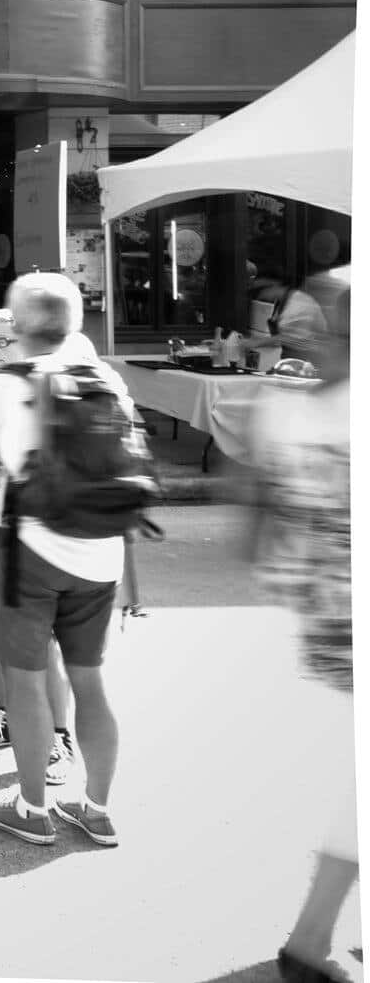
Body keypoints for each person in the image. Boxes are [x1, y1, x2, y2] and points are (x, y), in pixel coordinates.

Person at [0, 271, 132, 848]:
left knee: (26, 683)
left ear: (18, 326)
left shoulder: (1, 388)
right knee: (90, 681)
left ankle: (32, 808)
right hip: (99, 554)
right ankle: (96, 808)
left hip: (28, 552)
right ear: (74, 323)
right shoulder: (107, 380)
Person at [246, 268, 354, 983]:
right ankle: (310, 942)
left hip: (328, 614)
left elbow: (257, 526)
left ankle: (316, 939)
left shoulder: (281, 407)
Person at [0, 308, 85, 787]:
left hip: (29, 533)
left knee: (38, 640)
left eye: (3, 342)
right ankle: (6, 717)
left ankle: (57, 734)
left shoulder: (53, 388)